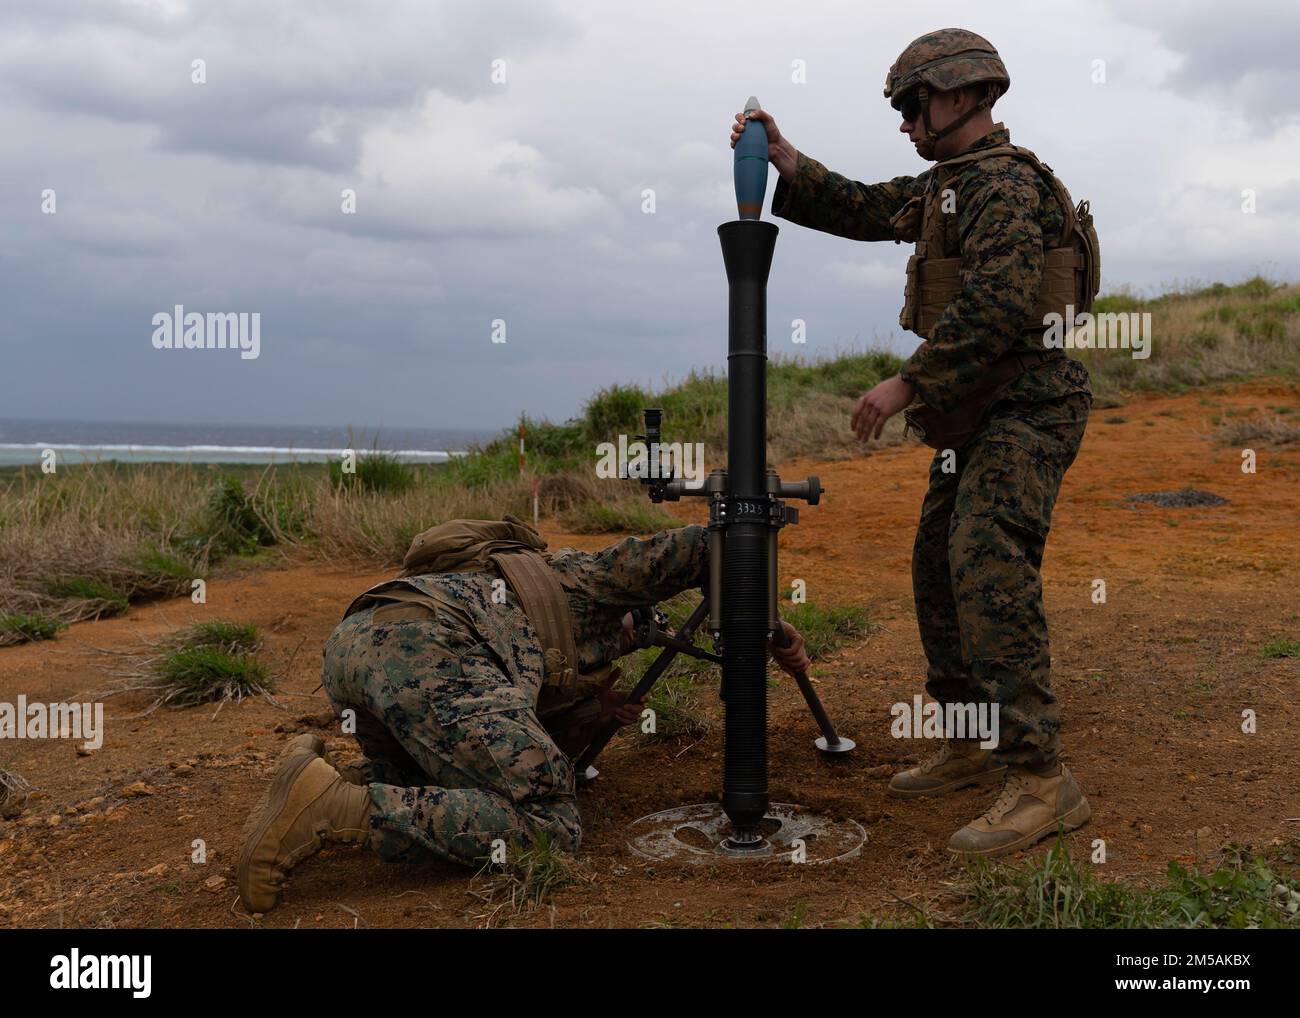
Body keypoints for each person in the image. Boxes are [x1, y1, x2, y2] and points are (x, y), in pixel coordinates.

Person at [730, 28, 1094, 856]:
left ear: (962, 96)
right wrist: (787, 159)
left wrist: (908, 383)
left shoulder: (1001, 186)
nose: (904, 123)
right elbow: (864, 206)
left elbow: (1000, 304)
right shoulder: (948, 187)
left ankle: (1042, 778)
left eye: (911, 105)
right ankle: (970, 743)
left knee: (985, 559)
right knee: (938, 562)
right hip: (976, 416)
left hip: (1028, 408)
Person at [238, 520, 810, 912]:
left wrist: (594, 712)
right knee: (550, 824)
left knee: (437, 780)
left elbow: (506, 726)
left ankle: (323, 783)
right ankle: (340, 808)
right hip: (432, 648)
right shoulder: (586, 575)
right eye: (642, 618)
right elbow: (710, 543)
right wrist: (772, 627)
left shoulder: (524, 607)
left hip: (358, 642)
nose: (641, 631)